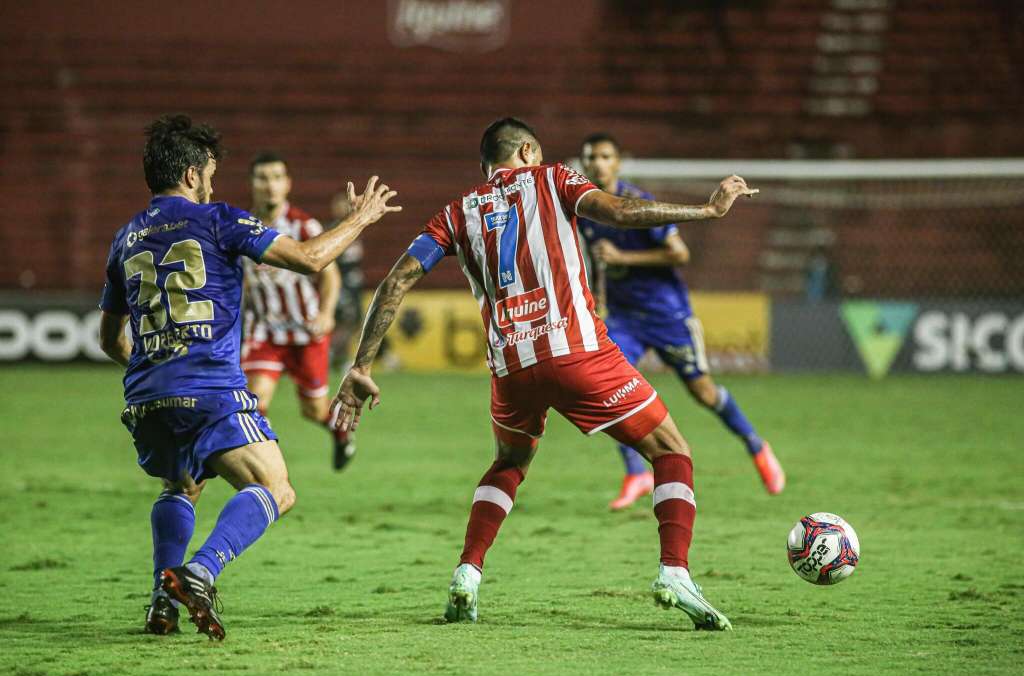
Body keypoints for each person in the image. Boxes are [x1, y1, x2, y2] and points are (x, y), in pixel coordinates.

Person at [331, 117, 757, 631]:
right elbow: (621, 211)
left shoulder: (456, 212)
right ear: (529, 151)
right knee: (672, 450)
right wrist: (707, 210)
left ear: (486, 164)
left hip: (510, 366)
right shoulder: (554, 178)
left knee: (509, 462)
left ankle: (467, 572)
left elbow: (397, 279)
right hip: (577, 353)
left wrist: (361, 365)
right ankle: (675, 572)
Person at [97, 114, 399, 639]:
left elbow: (108, 339)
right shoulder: (218, 219)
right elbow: (308, 258)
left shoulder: (125, 238)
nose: (213, 181)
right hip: (208, 390)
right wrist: (362, 220)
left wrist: (156, 366)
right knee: (275, 488)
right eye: (210, 171)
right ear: (192, 175)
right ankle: (200, 571)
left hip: (144, 397)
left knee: (181, 485)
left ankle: (160, 601)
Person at [577, 133, 785, 509]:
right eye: (590, 157)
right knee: (609, 389)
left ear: (618, 162)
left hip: (667, 315)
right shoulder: (587, 211)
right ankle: (636, 473)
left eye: (605, 156)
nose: (597, 163)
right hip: (624, 318)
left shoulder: (637, 204)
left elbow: (679, 254)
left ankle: (756, 446)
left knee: (703, 392)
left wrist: (623, 258)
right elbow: (597, 263)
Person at [241, 152, 355, 470]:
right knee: (255, 401)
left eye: (277, 177)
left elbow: (330, 274)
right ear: (252, 184)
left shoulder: (303, 226)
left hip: (306, 332)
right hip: (264, 330)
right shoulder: (241, 227)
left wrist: (327, 313)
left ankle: (340, 430)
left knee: (314, 410)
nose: (270, 185)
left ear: (287, 184)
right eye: (263, 178)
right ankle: (266, 464)